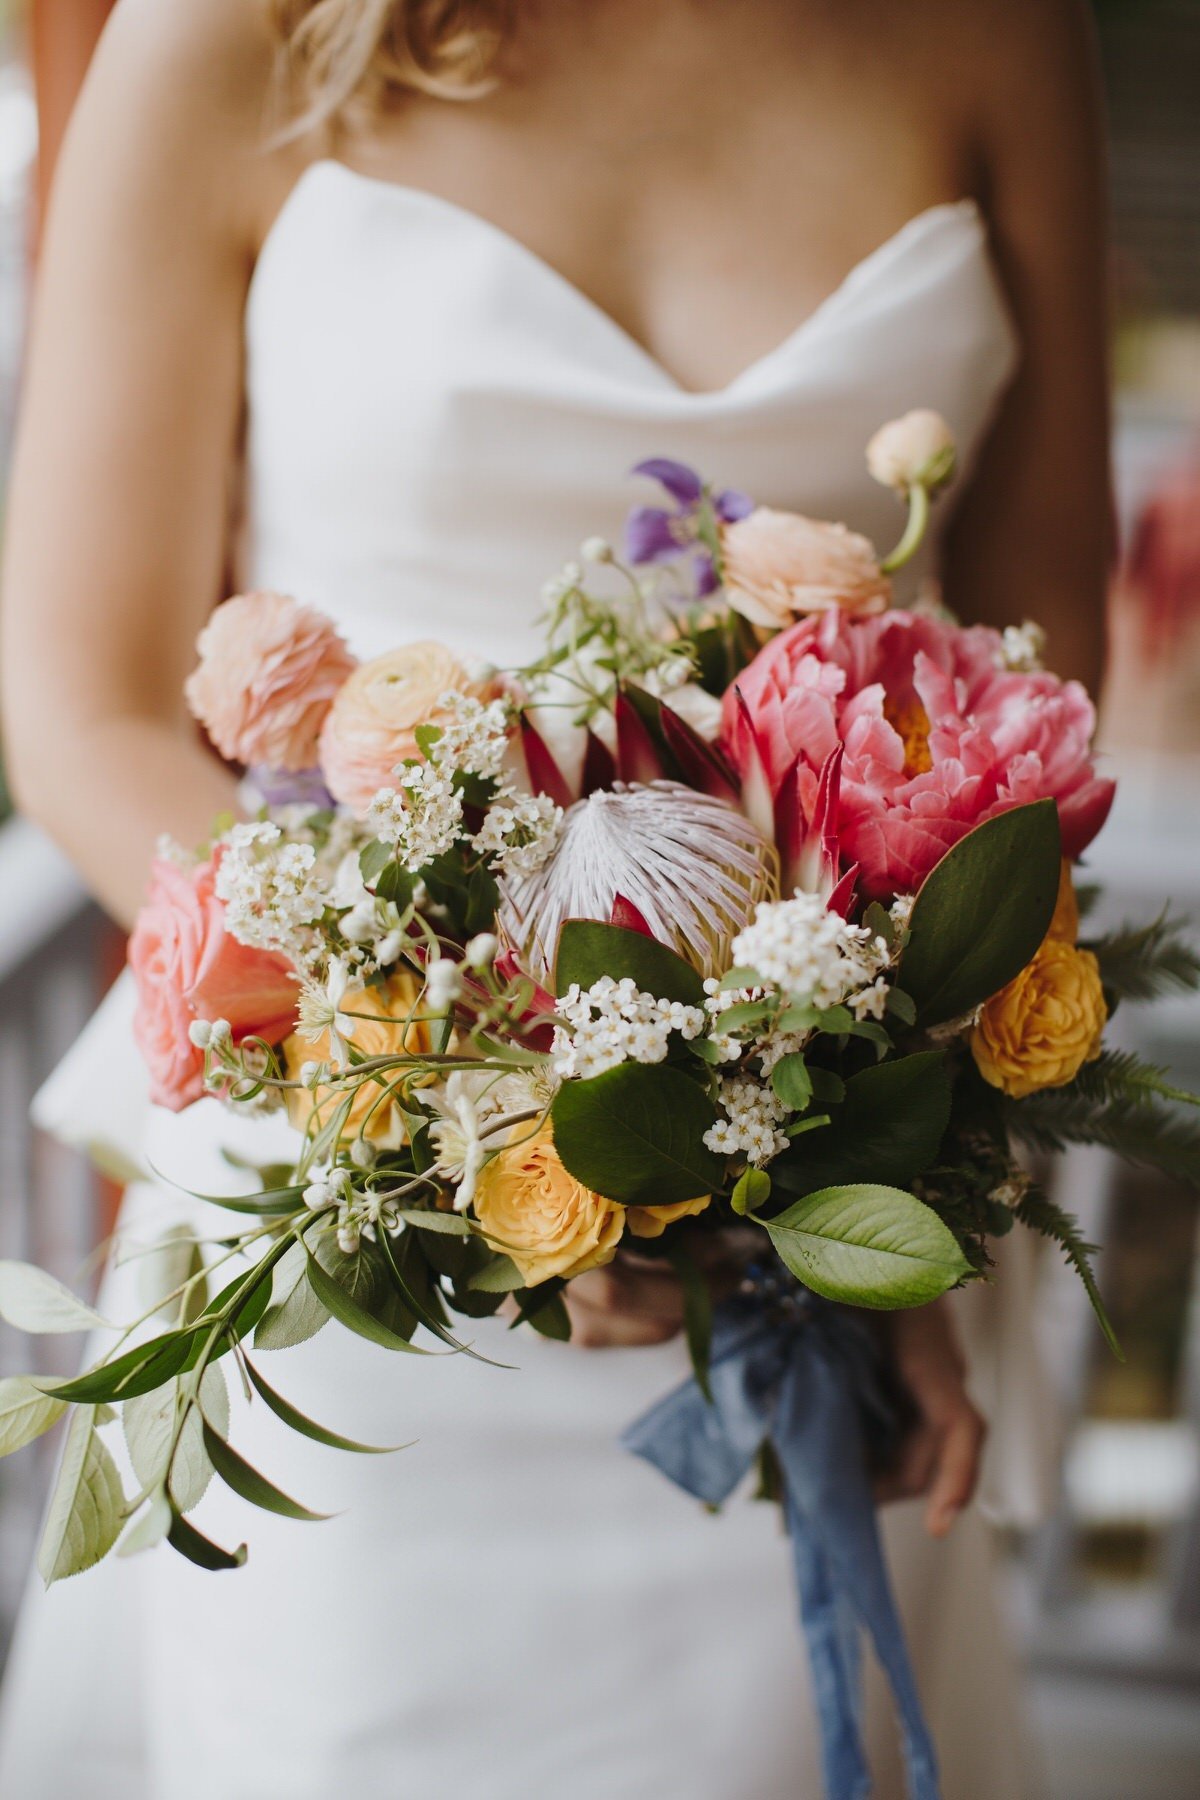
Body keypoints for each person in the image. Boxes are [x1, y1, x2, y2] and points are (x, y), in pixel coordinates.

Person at [0, 1, 1111, 1794]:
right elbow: (83, 697)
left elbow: (1034, 686)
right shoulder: (230, 34)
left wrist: (872, 1151)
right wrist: (469, 1093)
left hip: (809, 1227)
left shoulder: (992, 32)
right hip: (350, 1225)